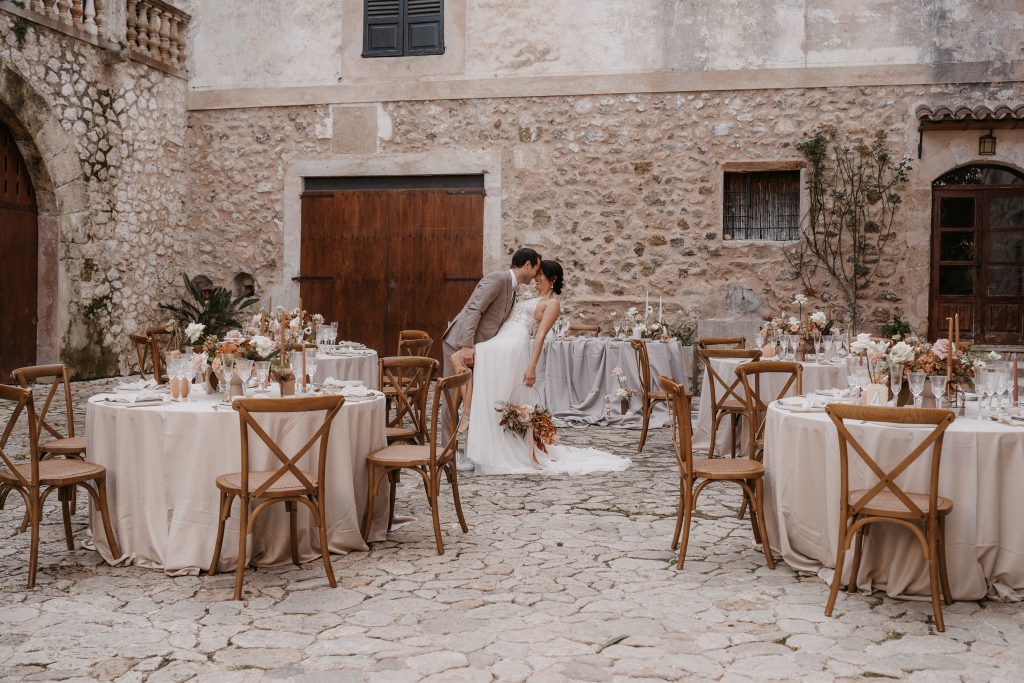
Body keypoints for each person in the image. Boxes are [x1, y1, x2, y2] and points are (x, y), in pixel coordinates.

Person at [464, 260, 630, 475]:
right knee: (483, 375)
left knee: (480, 357)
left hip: (513, 346)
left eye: (541, 274)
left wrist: (532, 366)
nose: (536, 278)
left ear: (553, 279)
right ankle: (478, 431)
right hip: (502, 340)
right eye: (537, 273)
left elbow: (540, 335)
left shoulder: (553, 304)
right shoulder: (530, 298)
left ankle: (472, 421)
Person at [441, 248, 542, 469]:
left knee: (473, 398)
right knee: (453, 398)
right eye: (536, 268)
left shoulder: (514, 290)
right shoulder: (497, 279)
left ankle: (467, 449)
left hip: (480, 351)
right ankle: (446, 453)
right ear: (527, 265)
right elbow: (474, 309)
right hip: (459, 344)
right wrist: (466, 345)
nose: (537, 274)